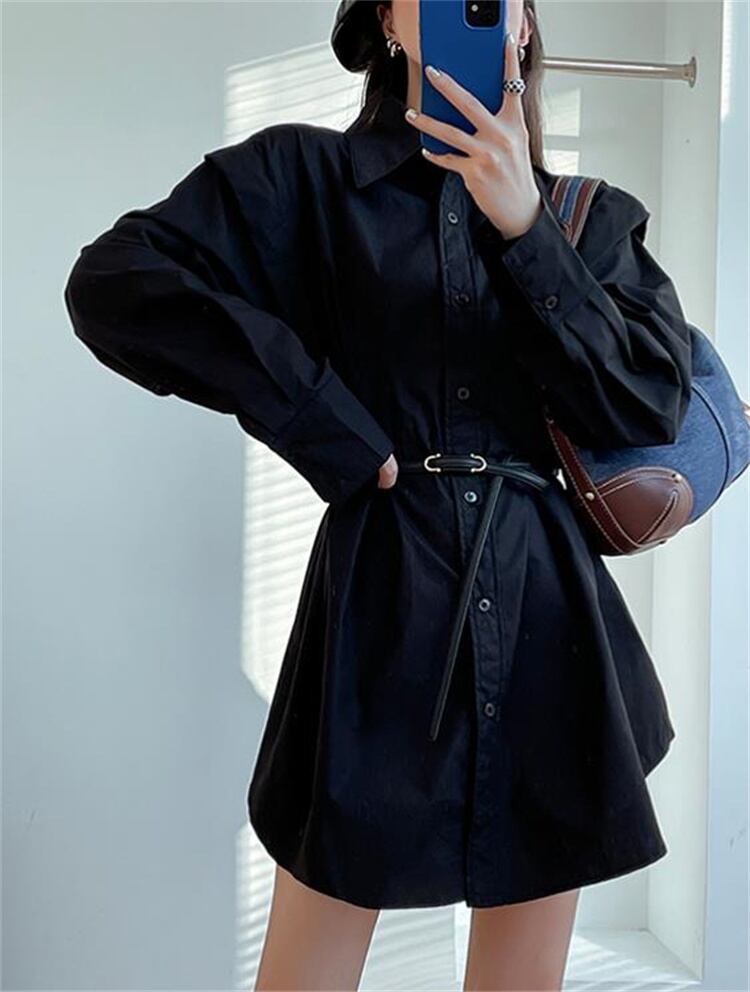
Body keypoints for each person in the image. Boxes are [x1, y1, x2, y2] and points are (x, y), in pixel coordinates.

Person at [63, 0, 699, 988]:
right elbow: (115, 280)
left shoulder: (589, 219)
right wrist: (323, 419)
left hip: (548, 624)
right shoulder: (305, 181)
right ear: (391, 23)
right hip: (379, 608)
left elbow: (645, 403)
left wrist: (527, 230)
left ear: (523, 28)